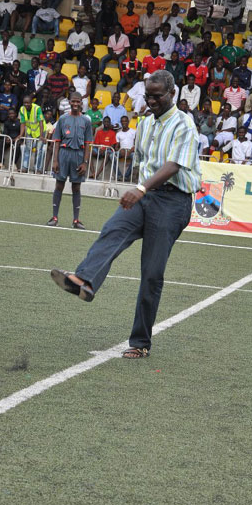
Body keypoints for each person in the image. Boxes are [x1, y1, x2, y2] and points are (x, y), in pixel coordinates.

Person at [50, 70, 200, 359]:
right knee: (113, 229)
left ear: (172, 94)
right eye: (148, 96)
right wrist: (140, 189)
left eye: (157, 96)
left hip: (173, 202)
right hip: (147, 196)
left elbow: (173, 166)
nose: (152, 101)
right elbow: (143, 163)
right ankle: (85, 280)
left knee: (152, 273)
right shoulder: (143, 124)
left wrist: (141, 188)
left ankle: (140, 342)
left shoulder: (184, 124)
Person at [47, 91, 92, 229]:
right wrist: (55, 160)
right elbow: (56, 141)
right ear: (69, 102)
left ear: (81, 103)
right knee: (59, 185)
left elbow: (88, 143)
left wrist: (85, 162)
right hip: (64, 154)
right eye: (73, 101)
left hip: (78, 155)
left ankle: (76, 220)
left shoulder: (86, 120)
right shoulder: (63, 119)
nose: (75, 104)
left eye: (78, 101)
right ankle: (54, 217)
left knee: (76, 187)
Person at [19, 93, 44, 172]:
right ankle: (25, 167)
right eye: (24, 103)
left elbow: (40, 122)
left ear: (31, 102)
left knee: (39, 150)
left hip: (40, 131)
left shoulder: (37, 108)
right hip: (30, 131)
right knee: (27, 149)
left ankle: (37, 169)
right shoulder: (22, 109)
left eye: (28, 102)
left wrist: (42, 135)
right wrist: (20, 135)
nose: (26, 104)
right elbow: (22, 123)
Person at [114, 114, 135, 180]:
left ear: (128, 122)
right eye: (122, 121)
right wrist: (120, 150)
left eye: (125, 121)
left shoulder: (133, 131)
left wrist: (129, 151)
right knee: (112, 156)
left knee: (135, 157)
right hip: (122, 151)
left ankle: (126, 176)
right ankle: (119, 175)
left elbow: (136, 144)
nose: (124, 123)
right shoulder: (118, 133)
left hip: (131, 151)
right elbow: (116, 147)